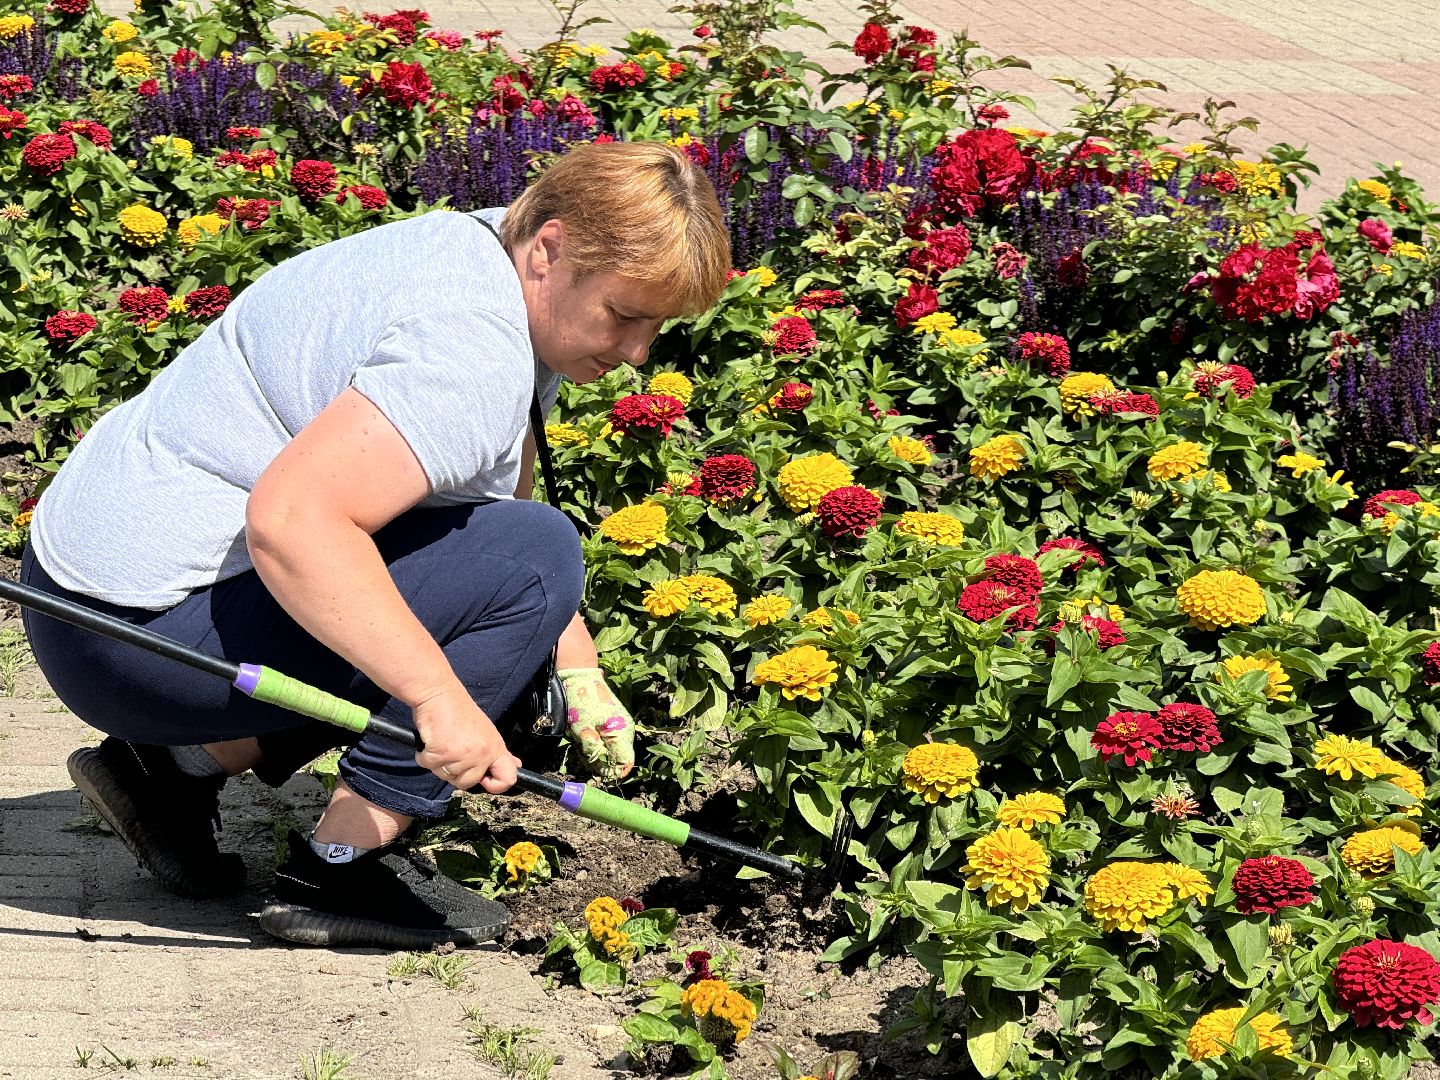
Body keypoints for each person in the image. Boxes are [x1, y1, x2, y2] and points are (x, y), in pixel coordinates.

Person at [20, 141, 730, 950]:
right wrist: (440, 703)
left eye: (657, 327)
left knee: (510, 563)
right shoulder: (469, 345)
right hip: (135, 641)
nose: (638, 353)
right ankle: (341, 862)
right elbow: (295, 527)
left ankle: (169, 775)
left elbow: (481, 512)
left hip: (81, 605)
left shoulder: (481, 253)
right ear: (552, 248)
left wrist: (577, 660)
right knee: (536, 559)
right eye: (626, 316)